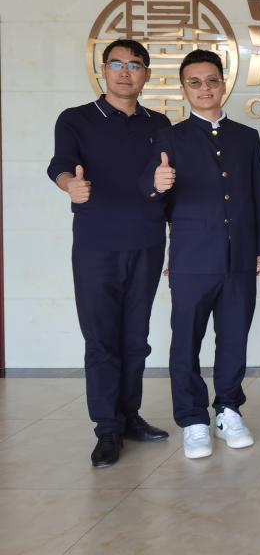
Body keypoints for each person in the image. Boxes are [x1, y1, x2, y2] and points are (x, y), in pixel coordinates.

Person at [47, 39, 171, 468]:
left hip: (147, 242)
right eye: (116, 64)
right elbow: (59, 163)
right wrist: (70, 184)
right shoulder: (76, 119)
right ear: (103, 70)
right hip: (96, 245)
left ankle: (130, 416)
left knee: (135, 339)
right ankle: (107, 428)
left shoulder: (159, 123)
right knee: (101, 340)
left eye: (134, 65)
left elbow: (165, 183)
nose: (124, 72)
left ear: (146, 74)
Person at [143, 49, 260, 459]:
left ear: (223, 84)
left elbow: (258, 196)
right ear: (184, 89)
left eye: (212, 80)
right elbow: (154, 198)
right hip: (192, 258)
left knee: (234, 337)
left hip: (240, 256)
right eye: (195, 82)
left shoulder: (246, 137)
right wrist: (156, 184)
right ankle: (193, 418)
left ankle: (228, 409)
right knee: (186, 340)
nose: (205, 89)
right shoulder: (170, 137)